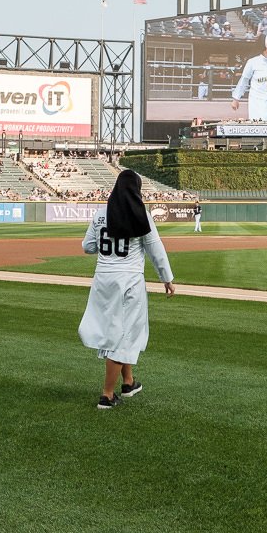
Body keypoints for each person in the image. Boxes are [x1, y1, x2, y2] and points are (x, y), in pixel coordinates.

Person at [79, 170, 176, 409]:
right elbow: (156, 250)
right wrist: (167, 278)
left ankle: (129, 382)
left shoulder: (101, 214)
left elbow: (88, 246)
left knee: (120, 330)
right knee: (122, 337)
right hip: (129, 282)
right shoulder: (140, 214)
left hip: (103, 280)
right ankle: (107, 395)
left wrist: (107, 249)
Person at [230, 33, 267, 121]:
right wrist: (236, 99)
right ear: (265, 46)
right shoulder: (252, 62)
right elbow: (244, 80)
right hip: (257, 101)